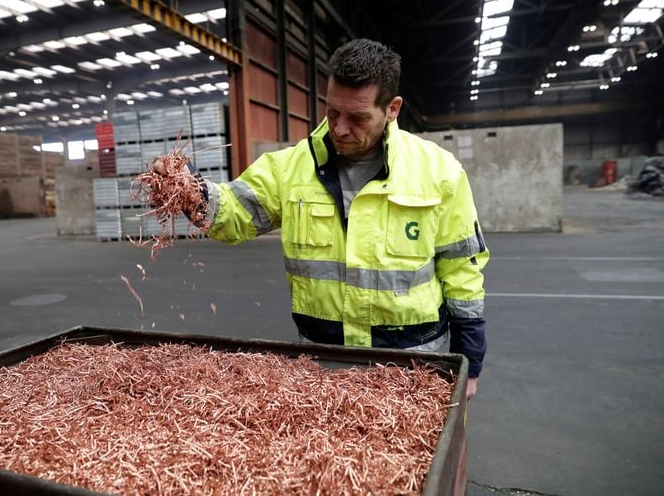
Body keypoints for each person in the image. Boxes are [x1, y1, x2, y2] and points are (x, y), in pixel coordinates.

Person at [155, 38, 489, 399]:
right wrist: (189, 189)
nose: (340, 128)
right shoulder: (291, 169)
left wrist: (469, 362)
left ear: (392, 109)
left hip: (412, 368)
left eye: (358, 117)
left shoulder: (439, 172)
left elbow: (462, 270)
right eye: (332, 112)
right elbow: (232, 214)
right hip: (320, 370)